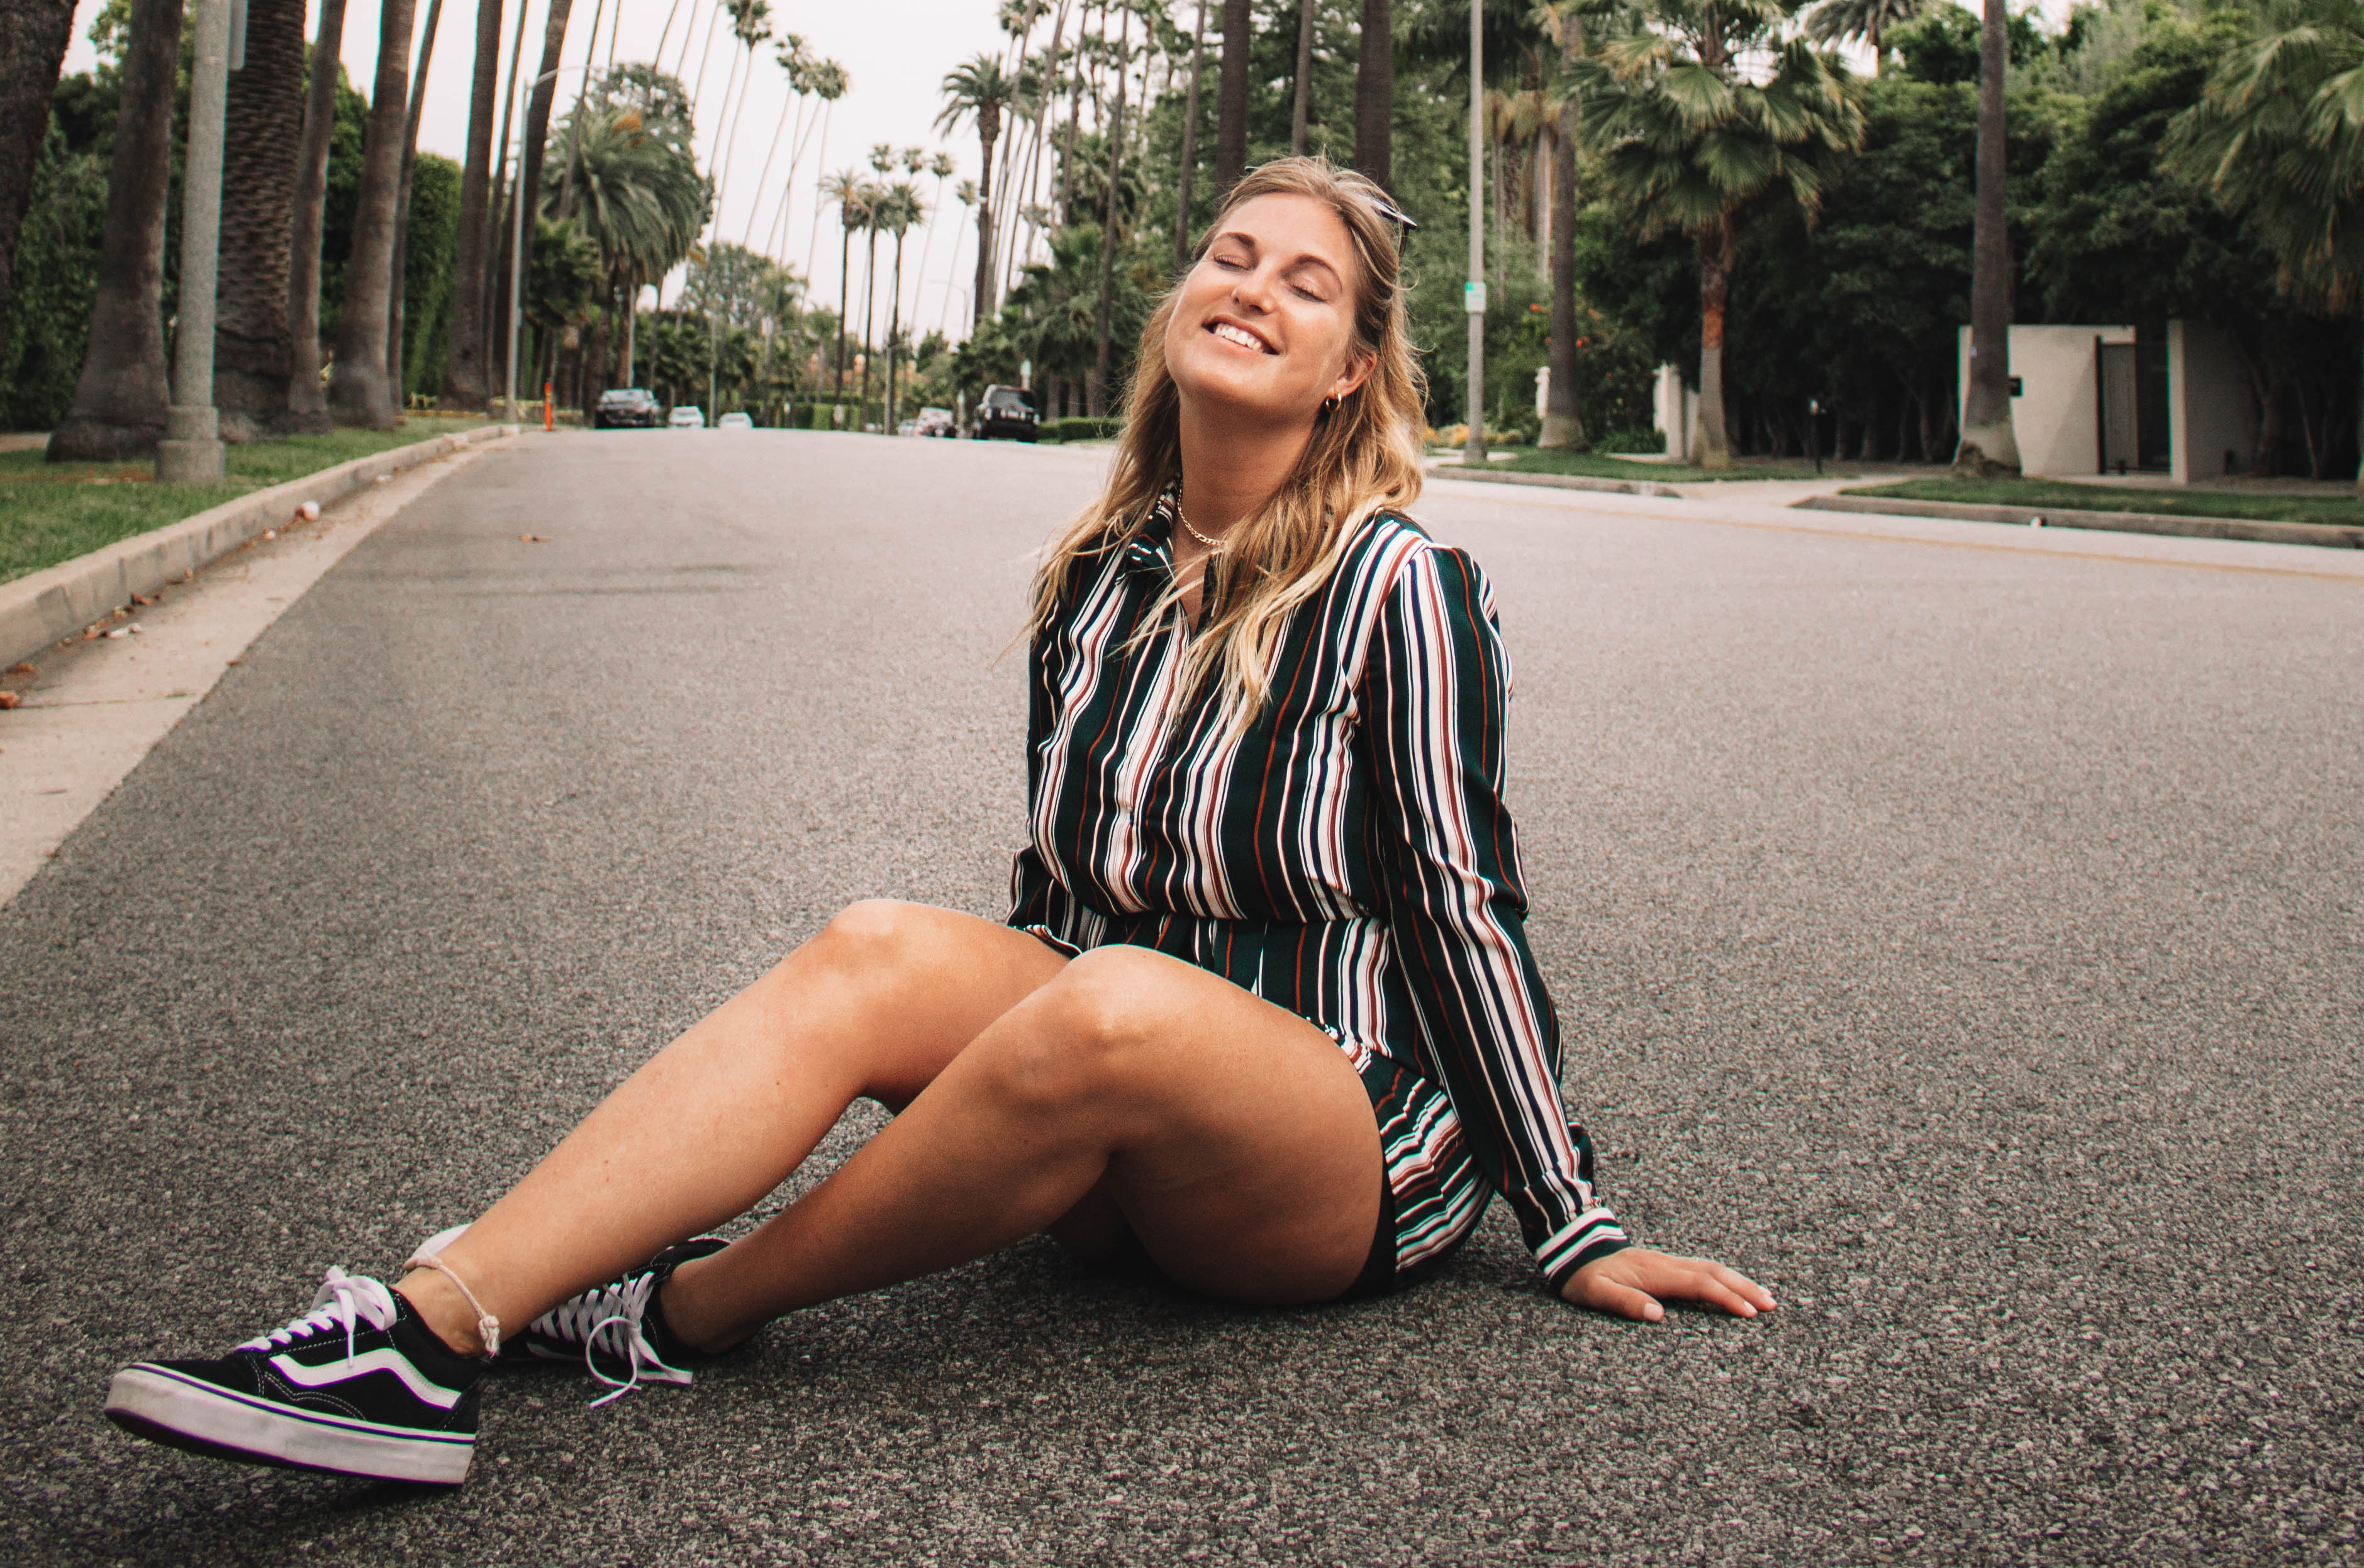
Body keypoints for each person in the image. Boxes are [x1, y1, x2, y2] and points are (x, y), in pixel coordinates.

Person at [106, 158, 1773, 1486]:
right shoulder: (1100, 583)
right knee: (879, 945)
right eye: (1231, 253)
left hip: (1331, 1139)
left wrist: (1570, 1220)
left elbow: (1464, 907)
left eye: (1305, 280)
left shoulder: (1404, 588)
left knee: (1115, 1003)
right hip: (1123, 1108)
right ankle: (431, 1330)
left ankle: (687, 1309)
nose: (1251, 286)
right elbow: (1054, 892)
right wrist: (991, 1082)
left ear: (1351, 373)